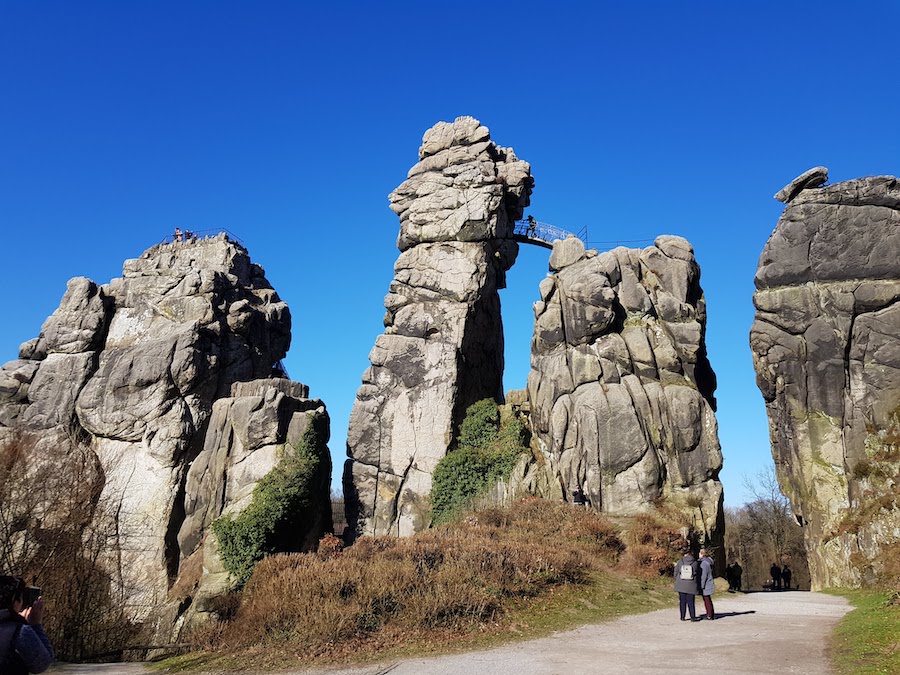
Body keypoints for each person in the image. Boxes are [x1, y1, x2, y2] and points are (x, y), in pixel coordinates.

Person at [0, 576, 54, 673]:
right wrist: (35, 624)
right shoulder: (18, 632)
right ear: (14, 602)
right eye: (21, 598)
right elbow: (42, 664)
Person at [673, 546, 701, 622]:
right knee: (691, 602)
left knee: (682, 601)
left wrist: (677, 579)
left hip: (681, 584)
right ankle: (692, 617)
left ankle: (682, 616)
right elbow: (697, 573)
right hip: (691, 585)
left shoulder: (680, 561)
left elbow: (675, 572)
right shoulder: (695, 563)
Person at [699, 548, 716, 620]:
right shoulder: (708, 562)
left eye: (699, 553)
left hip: (706, 584)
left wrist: (701, 585)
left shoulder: (704, 563)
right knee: (708, 599)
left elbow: (704, 575)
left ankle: (709, 614)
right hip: (709, 582)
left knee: (706, 599)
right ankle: (711, 613)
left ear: (702, 554)